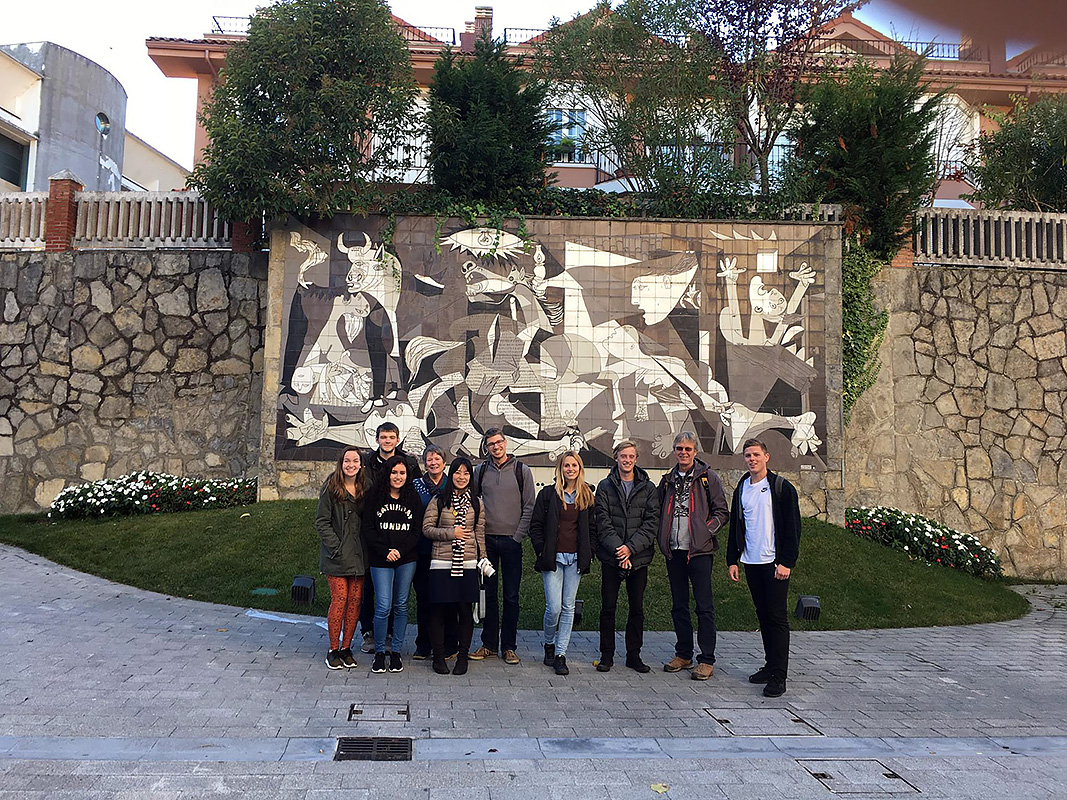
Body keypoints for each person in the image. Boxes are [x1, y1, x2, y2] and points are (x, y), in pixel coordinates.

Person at [727, 438, 802, 698]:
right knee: (763, 616)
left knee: (777, 618)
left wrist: (786, 562)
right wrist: (732, 559)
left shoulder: (781, 488)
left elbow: (793, 528)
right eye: (748, 455)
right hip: (751, 561)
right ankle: (770, 666)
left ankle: (779, 676)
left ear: (766, 457)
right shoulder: (742, 488)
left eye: (756, 454)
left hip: (774, 564)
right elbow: (736, 525)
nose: (752, 459)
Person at [657, 430, 729, 681]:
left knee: (704, 606)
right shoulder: (668, 480)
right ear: (675, 451)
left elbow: (722, 512)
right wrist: (662, 537)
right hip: (674, 550)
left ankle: (706, 659)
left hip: (699, 551)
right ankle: (684, 653)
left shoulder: (708, 478)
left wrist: (705, 532)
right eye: (679, 449)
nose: (683, 453)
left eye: (688, 449)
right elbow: (659, 510)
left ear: (695, 452)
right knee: (679, 605)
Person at [468, 428, 535, 665]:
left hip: (511, 542)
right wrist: (478, 537)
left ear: (505, 443)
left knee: (511, 596)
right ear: (486, 448)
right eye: (491, 444)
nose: (496, 447)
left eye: (499, 442)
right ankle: (488, 644)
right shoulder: (480, 471)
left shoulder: (521, 470)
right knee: (488, 594)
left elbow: (529, 505)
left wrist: (518, 537)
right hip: (486, 543)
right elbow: (473, 503)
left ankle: (509, 647)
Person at [593, 440, 660, 673]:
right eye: (623, 456)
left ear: (636, 459)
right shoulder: (605, 486)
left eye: (631, 456)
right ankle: (607, 655)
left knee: (636, 609)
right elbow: (602, 522)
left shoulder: (648, 488)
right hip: (612, 557)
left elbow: (651, 523)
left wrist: (630, 549)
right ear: (616, 458)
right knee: (608, 608)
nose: (627, 460)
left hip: (638, 558)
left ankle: (634, 655)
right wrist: (619, 550)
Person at [529, 451, 596, 676]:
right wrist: (541, 549)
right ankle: (549, 642)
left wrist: (589, 552)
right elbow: (535, 526)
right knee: (554, 607)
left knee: (568, 607)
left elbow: (592, 529)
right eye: (566, 465)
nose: (570, 469)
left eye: (574, 465)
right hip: (553, 558)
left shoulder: (586, 495)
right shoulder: (548, 494)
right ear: (560, 468)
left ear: (580, 468)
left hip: (575, 559)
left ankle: (560, 653)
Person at [358, 422, 423, 654]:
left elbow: (416, 509)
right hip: (377, 542)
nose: (387, 441)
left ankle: (392, 638)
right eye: (383, 437)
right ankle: (369, 632)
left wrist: (401, 549)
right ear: (377, 439)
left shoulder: (409, 463)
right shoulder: (366, 462)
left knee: (399, 600)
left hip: (404, 546)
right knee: (371, 592)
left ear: (397, 439)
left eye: (391, 437)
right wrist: (382, 548)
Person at [422, 457, 487, 675]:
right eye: (458, 472)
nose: (462, 477)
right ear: (451, 475)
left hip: (467, 563)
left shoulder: (477, 503)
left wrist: (483, 559)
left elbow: (479, 534)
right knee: (438, 610)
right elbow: (427, 529)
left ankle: (462, 657)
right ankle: (438, 657)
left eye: (466, 473)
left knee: (464, 610)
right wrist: (452, 533)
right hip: (441, 562)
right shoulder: (439, 500)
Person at [315, 447, 368, 670]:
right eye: (347, 461)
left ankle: (346, 648)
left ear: (361, 465)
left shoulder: (365, 487)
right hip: (336, 556)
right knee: (340, 599)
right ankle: (333, 649)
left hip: (359, 555)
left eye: (355, 461)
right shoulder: (331, 487)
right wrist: (335, 546)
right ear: (341, 463)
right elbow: (321, 522)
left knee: (355, 601)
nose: (351, 465)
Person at [412, 445, 458, 661]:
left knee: (448, 599)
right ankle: (423, 644)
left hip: (448, 551)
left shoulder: (453, 484)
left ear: (444, 462)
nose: (433, 463)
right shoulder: (416, 485)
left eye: (437, 459)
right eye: (429, 459)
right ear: (425, 463)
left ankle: (450, 643)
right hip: (422, 550)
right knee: (424, 598)